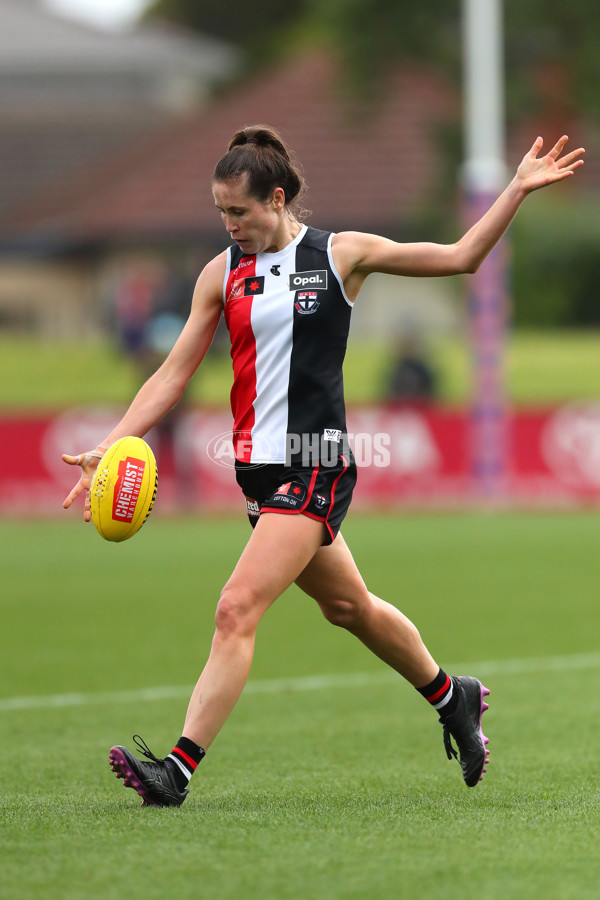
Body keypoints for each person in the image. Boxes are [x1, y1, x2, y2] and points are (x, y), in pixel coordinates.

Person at [63, 126, 584, 807]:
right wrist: (114, 439)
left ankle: (176, 771)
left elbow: (461, 257)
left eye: (239, 212)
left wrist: (514, 188)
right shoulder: (221, 273)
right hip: (257, 473)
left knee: (235, 608)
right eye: (221, 212)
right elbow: (171, 373)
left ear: (276, 199)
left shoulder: (343, 255)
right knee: (349, 606)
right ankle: (452, 696)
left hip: (314, 465)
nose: (229, 224)